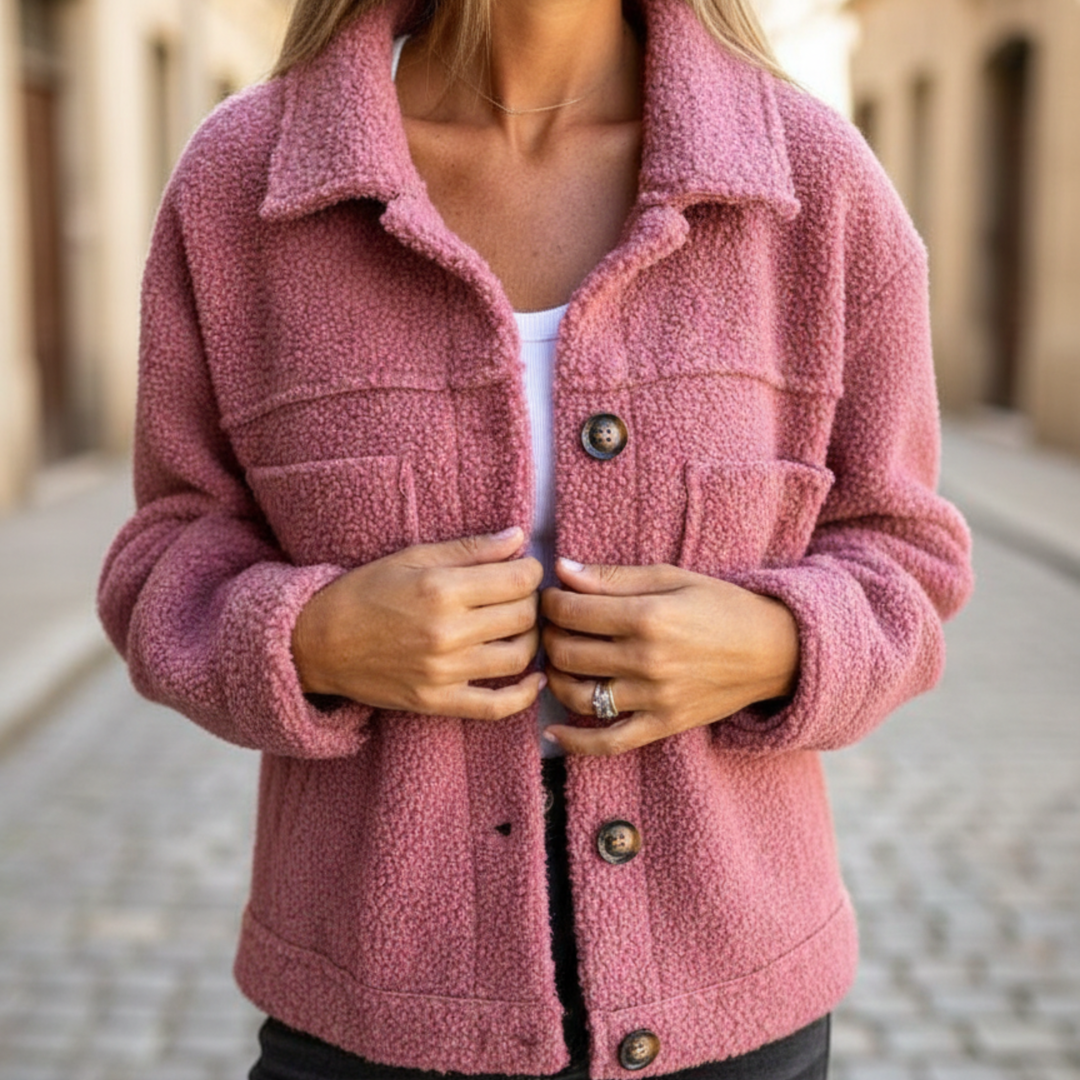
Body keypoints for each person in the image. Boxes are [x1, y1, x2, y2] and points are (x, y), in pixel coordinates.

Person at [97, 0, 974, 1076]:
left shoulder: (809, 182)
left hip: (736, 1006)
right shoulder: (248, 185)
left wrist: (778, 644)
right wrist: (309, 640)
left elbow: (910, 555)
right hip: (370, 1010)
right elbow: (162, 555)